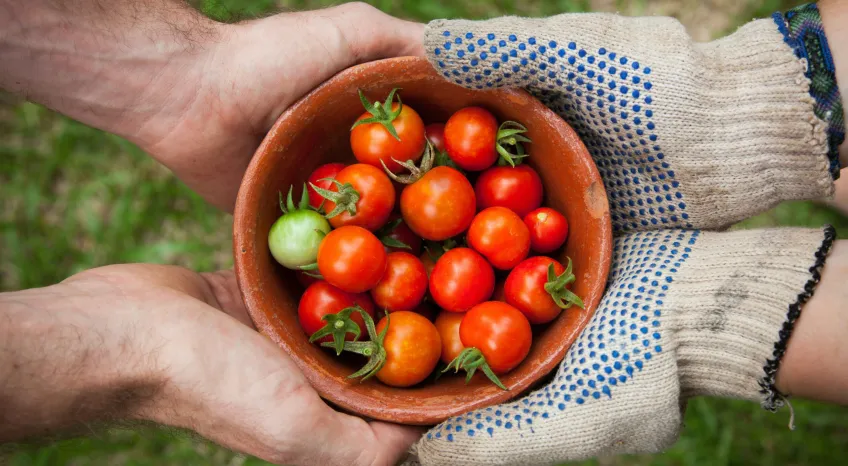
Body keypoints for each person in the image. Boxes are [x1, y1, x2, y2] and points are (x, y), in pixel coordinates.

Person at [0, 1, 845, 465]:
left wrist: (749, 102)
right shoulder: (395, 257)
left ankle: (781, 114)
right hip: (474, 288)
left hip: (477, 277)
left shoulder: (401, 222)